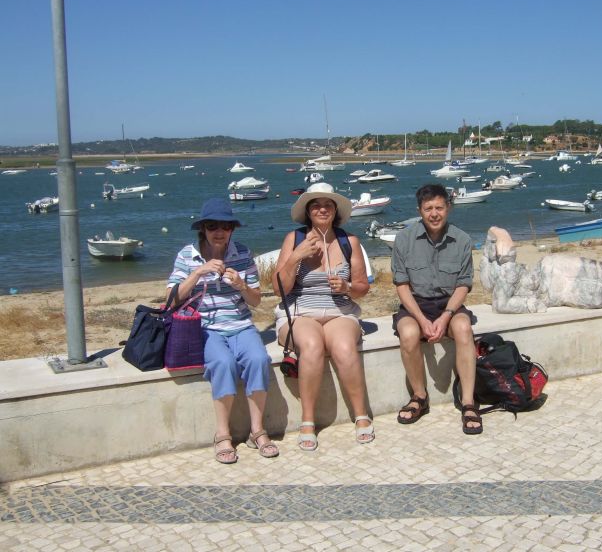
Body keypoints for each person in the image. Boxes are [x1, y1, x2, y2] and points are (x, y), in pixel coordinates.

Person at [167, 198, 275, 464]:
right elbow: (172, 299)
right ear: (202, 228)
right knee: (223, 363)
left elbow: (256, 301)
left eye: (225, 226)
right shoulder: (187, 255)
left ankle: (257, 431)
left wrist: (241, 285)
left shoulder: (242, 253)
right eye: (212, 226)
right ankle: (222, 434)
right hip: (204, 328)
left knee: (259, 359)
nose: (219, 231)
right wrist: (198, 273)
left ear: (232, 230)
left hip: (240, 324)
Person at [272, 182, 373, 451]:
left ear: (335, 210)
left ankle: (361, 414)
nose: (322, 208)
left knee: (342, 346)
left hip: (340, 311)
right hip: (300, 312)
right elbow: (278, 288)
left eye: (328, 204)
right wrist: (296, 257)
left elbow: (363, 288)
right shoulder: (294, 239)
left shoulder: (349, 241)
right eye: (315, 204)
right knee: (313, 347)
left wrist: (348, 287)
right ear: (307, 211)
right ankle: (307, 421)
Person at [391, 183, 482, 434]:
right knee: (409, 334)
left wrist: (446, 316)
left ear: (448, 208)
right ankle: (419, 396)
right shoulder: (404, 239)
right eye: (428, 208)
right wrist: (421, 319)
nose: (434, 213)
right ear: (420, 210)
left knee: (463, 329)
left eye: (439, 207)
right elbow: (401, 285)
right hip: (414, 305)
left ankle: (468, 402)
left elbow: (463, 285)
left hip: (449, 305)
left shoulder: (462, 240)